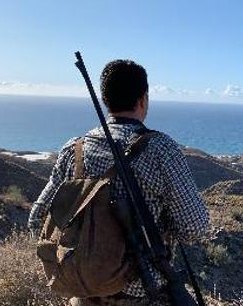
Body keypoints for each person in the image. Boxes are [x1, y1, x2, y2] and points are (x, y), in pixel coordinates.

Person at [27, 59, 210, 306]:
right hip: (144, 294)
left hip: (84, 295)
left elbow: (37, 217)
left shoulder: (74, 150)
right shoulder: (160, 149)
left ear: (105, 100)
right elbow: (195, 228)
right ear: (143, 99)